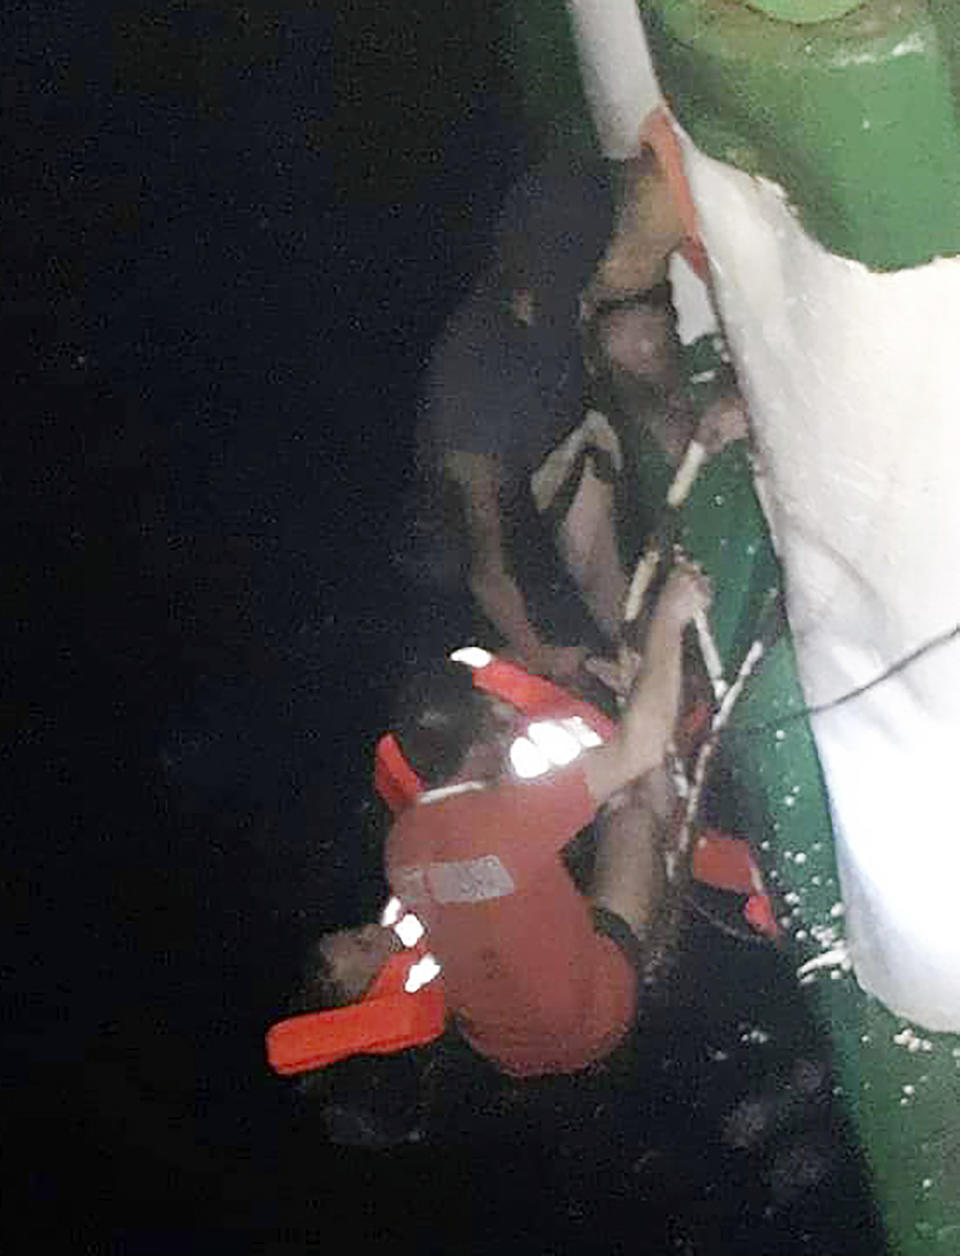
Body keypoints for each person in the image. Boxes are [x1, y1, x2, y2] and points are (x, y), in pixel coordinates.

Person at [306, 559, 710, 1079]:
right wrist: (669, 618)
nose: (505, 715)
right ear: (478, 744)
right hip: (596, 1015)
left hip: (508, 1052)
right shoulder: (490, 822)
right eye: (496, 716)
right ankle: (680, 829)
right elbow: (639, 747)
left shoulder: (403, 849)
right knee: (631, 810)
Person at [417, 154, 669, 683]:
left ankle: (684, 430)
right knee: (586, 552)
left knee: (633, 342)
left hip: (576, 349)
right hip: (559, 414)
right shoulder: (483, 422)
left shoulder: (467, 455)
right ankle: (657, 668)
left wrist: (542, 656)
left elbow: (490, 574)